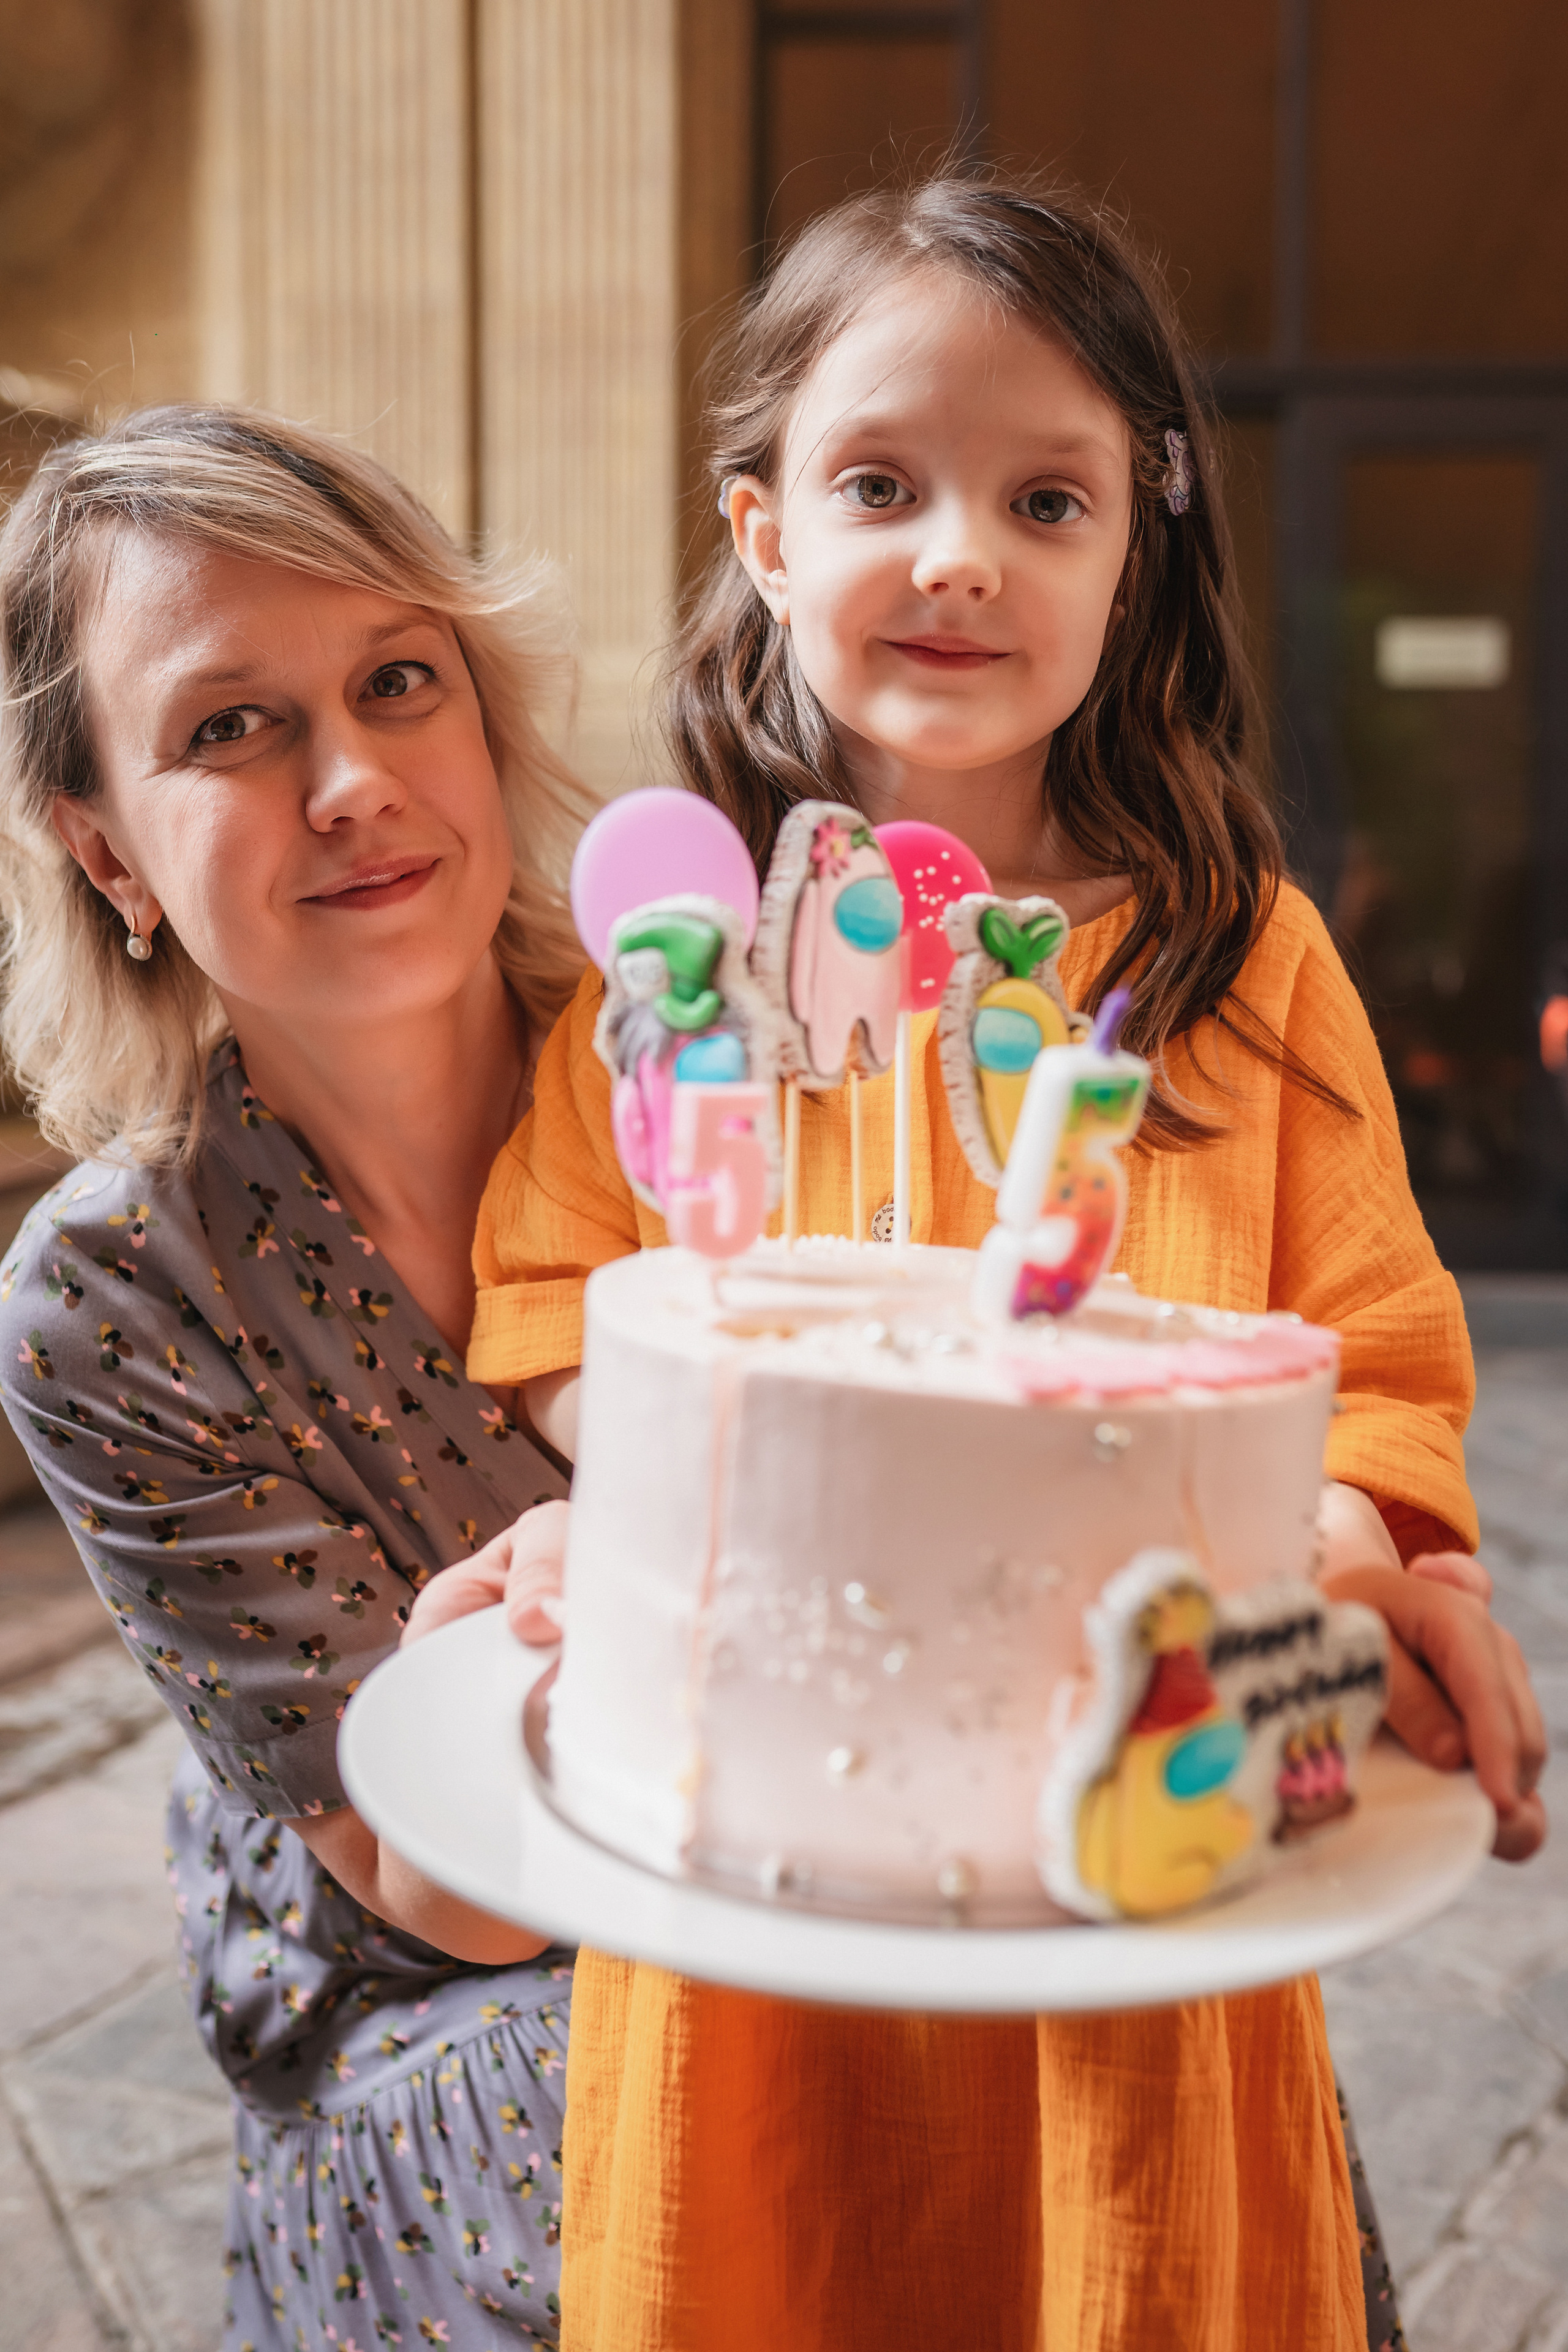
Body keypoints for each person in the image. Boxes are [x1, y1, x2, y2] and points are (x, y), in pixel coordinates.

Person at [464, 176, 1546, 2352]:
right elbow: (567, 1292)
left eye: (1045, 499)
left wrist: (1352, 1541)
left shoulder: (1243, 970)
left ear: (1126, 559)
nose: (960, 551)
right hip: (748, 1909)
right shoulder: (689, 975)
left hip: (1129, 1874)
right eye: (883, 483)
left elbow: (1388, 1355)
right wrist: (655, 1487)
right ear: (765, 536)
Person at [0, 407, 591, 2348]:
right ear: (104, 848)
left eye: (397, 681)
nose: (354, 781)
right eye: (229, 728)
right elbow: (459, 1900)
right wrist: (536, 1628)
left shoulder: (705, 1069)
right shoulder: (107, 1295)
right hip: (440, 1994)